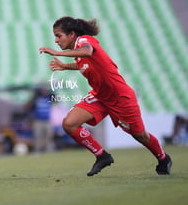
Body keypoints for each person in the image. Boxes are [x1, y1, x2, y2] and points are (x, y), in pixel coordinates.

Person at [39, 16, 172, 176]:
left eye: (58, 35)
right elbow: (84, 62)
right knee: (69, 124)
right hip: (100, 96)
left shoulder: (84, 41)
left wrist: (57, 53)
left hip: (120, 97)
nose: (56, 40)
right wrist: (64, 66)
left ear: (72, 34)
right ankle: (102, 156)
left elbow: (87, 51)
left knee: (140, 135)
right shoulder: (77, 52)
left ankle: (163, 158)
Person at [25, 85, 54, 153]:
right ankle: (38, 150)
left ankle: (49, 150)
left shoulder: (49, 97)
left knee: (49, 135)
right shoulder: (36, 98)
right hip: (38, 120)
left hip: (47, 120)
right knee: (38, 136)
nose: (44, 91)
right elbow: (28, 106)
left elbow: (55, 96)